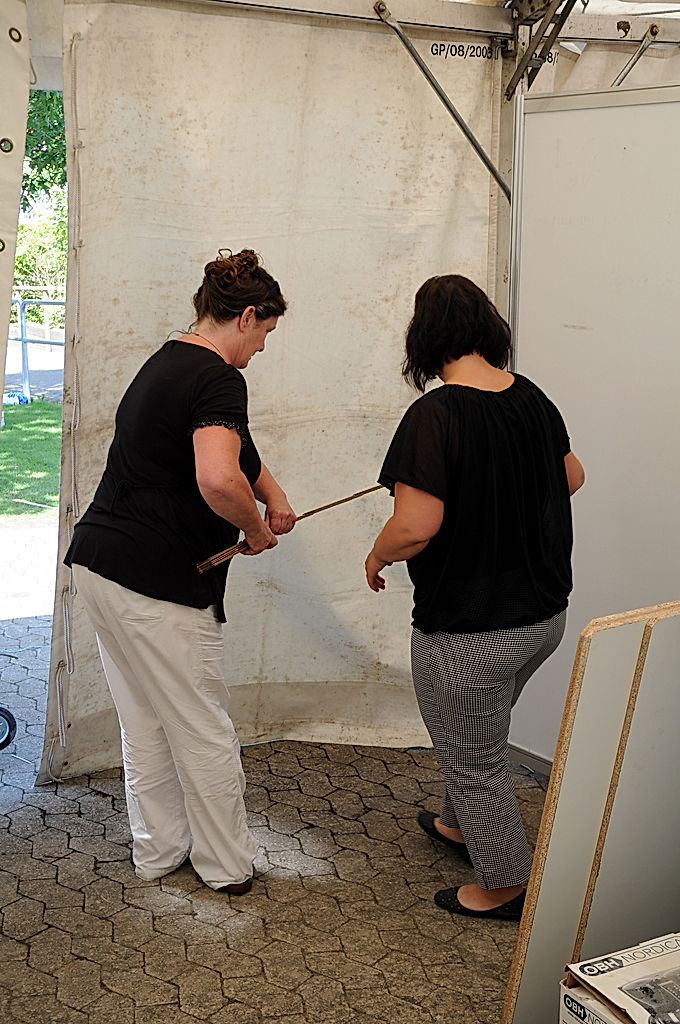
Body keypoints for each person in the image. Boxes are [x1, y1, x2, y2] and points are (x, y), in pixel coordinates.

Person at [65, 249, 295, 894]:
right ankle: (226, 868)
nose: (261, 349)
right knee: (201, 729)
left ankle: (159, 852)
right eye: (265, 333)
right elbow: (218, 474)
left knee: (145, 721)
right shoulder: (221, 377)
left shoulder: (169, 361)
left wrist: (272, 495)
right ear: (246, 316)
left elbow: (233, 450)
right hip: (155, 581)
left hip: (100, 563)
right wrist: (253, 529)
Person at [365, 274, 584, 920]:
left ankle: (506, 884)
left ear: (424, 339)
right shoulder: (533, 400)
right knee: (479, 735)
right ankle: (460, 829)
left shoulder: (435, 415)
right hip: (543, 619)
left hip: (471, 632)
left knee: (473, 754)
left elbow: (415, 526)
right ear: (488, 328)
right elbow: (571, 476)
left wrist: (378, 553)